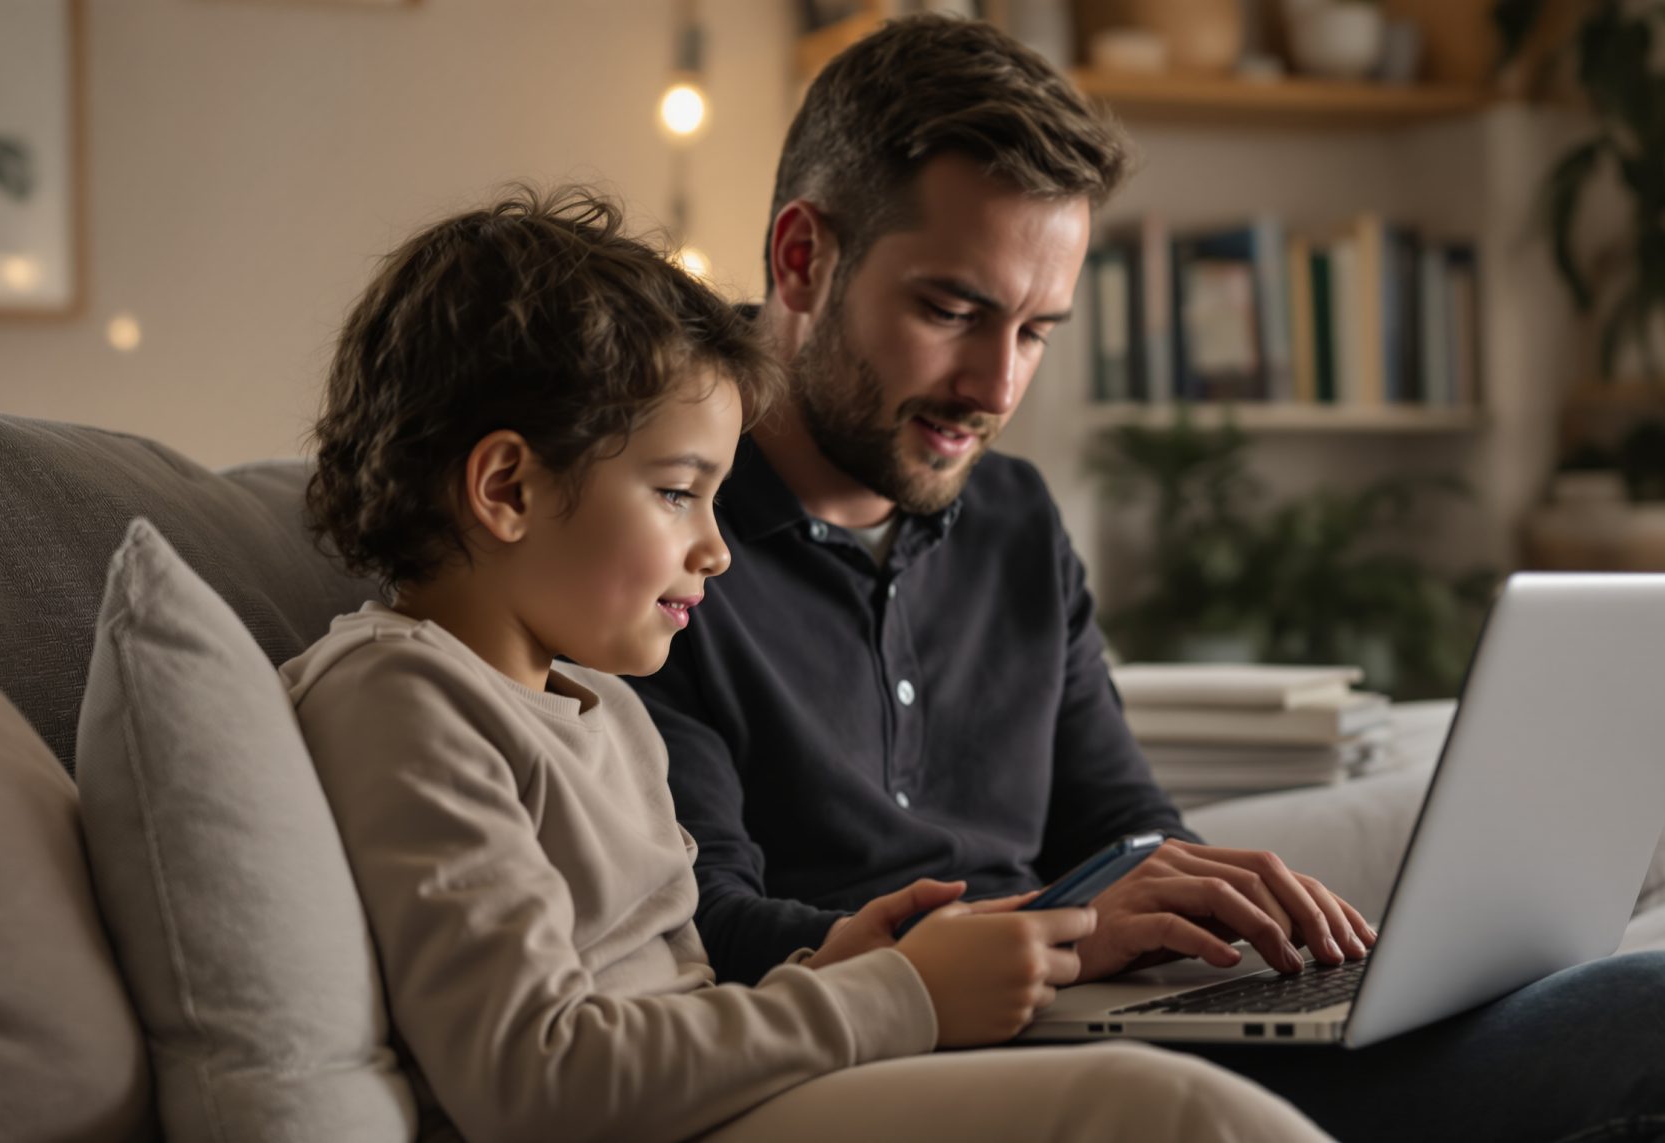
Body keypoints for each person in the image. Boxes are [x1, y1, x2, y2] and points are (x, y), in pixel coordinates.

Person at [627, 15, 1665, 1141]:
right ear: (801, 260)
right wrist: (1076, 924)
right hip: (958, 1052)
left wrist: (1199, 901)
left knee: (1648, 1014)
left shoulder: (1015, 518)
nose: (996, 386)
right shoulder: (652, 544)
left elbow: (1125, 822)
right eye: (953, 310)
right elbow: (716, 931)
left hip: (1127, 1023)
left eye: (1035, 330)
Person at [283, 184, 1332, 1143]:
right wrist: (897, 995)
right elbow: (533, 1079)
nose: (716, 547)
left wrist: (841, 962)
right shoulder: (402, 699)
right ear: (506, 487)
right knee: (1161, 1112)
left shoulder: (598, 703)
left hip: (729, 1093)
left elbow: (676, 994)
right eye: (676, 491)